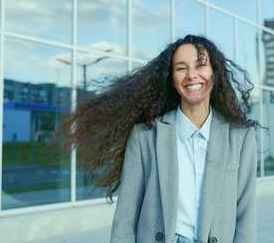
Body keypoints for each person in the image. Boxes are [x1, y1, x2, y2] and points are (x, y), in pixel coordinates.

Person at [54, 35, 259, 243]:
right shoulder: (145, 136)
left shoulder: (241, 138)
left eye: (200, 66)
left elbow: (245, 216)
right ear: (172, 78)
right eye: (181, 68)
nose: (192, 75)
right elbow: (126, 216)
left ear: (215, 73)